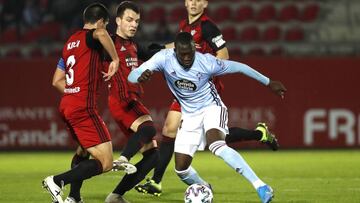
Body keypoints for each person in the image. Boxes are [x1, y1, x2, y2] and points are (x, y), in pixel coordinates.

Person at [135, 0, 278, 196]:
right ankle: (258, 134)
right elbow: (181, 45)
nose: (193, 3)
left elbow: (224, 55)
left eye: (198, 0)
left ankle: (156, 180)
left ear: (205, 3)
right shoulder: (185, 25)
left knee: (204, 138)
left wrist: (205, 69)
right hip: (186, 89)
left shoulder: (208, 27)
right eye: (190, 0)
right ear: (185, 3)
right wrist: (161, 49)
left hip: (203, 86)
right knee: (189, 138)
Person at [42, 3, 123, 203]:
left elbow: (56, 81)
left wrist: (72, 93)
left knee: (83, 151)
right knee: (105, 162)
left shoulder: (70, 42)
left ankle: (74, 198)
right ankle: (56, 181)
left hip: (67, 104)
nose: (104, 28)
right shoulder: (93, 35)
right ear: (100, 22)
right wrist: (115, 59)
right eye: (105, 24)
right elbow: (102, 34)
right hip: (83, 108)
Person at [104, 2, 160, 203]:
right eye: (129, 20)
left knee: (153, 155)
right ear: (117, 20)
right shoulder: (108, 42)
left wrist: (181, 44)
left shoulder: (134, 45)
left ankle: (115, 196)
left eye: (136, 21)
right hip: (121, 99)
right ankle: (123, 159)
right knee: (148, 128)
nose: (134, 24)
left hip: (131, 98)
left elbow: (158, 52)